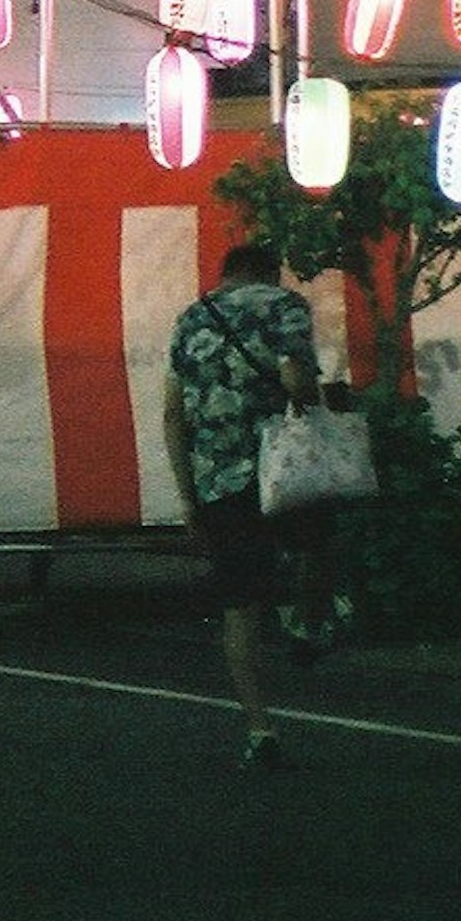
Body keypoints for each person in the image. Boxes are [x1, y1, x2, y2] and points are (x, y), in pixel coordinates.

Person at [163, 239, 324, 766]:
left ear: (224, 273)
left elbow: (172, 415)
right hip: (282, 470)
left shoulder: (191, 319)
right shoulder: (284, 307)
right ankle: (305, 621)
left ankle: (260, 729)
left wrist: (188, 498)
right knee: (317, 541)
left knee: (238, 604)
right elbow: (297, 382)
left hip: (216, 482)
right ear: (271, 274)